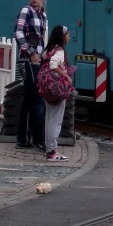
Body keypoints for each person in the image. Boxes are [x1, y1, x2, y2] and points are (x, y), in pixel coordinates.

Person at [13, 0, 48, 152]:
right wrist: (32, 52)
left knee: (28, 100)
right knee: (38, 100)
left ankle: (22, 138)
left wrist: (43, 56)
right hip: (29, 61)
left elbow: (42, 38)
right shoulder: (26, 11)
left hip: (37, 61)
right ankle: (38, 139)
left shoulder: (43, 14)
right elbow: (18, 32)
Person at [43, 24, 72, 161]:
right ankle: (52, 152)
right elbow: (53, 65)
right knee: (56, 121)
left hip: (47, 88)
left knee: (49, 120)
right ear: (62, 36)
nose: (69, 37)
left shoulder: (48, 50)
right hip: (57, 89)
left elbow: (45, 62)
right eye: (67, 34)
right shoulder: (59, 51)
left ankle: (49, 149)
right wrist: (65, 75)